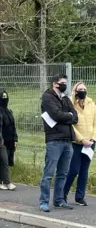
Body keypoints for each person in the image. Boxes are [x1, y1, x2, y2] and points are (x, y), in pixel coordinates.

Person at [39, 74, 78, 212]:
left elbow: (75, 117)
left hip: (67, 140)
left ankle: (59, 200)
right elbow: (56, 115)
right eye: (62, 83)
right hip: (54, 140)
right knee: (49, 173)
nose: (64, 85)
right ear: (55, 84)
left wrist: (67, 116)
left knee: (63, 173)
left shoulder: (66, 98)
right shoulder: (47, 97)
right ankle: (43, 202)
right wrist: (68, 116)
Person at [63, 82, 95, 207]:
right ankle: (63, 193)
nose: (83, 91)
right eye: (80, 89)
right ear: (75, 92)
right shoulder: (71, 105)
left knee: (84, 170)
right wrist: (82, 140)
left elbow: (95, 123)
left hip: (91, 143)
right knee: (74, 170)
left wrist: (93, 138)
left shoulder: (92, 104)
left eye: (84, 89)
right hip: (77, 143)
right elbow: (70, 125)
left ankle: (80, 196)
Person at [0, 92, 18, 191]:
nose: (5, 100)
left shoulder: (9, 111)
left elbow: (13, 126)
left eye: (6, 97)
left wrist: (15, 139)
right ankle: (7, 182)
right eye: (3, 98)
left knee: (2, 161)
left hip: (9, 140)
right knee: (4, 161)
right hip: (0, 141)